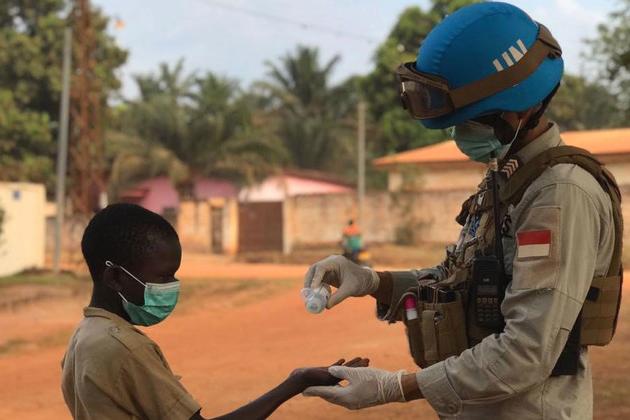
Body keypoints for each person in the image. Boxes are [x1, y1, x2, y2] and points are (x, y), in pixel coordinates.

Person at [302, 2, 622, 419]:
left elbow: (526, 350)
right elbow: (461, 282)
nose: (458, 133)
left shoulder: (559, 194)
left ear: (518, 108)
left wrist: (396, 387)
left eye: (472, 120)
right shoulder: (508, 179)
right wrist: (373, 281)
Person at [61, 203, 368, 420]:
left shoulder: (85, 336)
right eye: (163, 277)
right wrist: (296, 382)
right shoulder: (126, 348)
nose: (172, 287)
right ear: (115, 277)